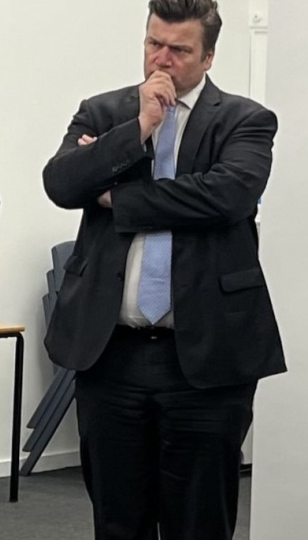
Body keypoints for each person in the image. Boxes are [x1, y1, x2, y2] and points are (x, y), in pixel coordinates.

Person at [42, 1, 286, 539]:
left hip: (204, 358)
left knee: (199, 521)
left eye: (179, 50)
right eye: (154, 43)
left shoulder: (245, 120)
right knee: (117, 519)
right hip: (111, 353)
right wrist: (141, 127)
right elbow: (62, 183)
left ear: (209, 56)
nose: (162, 59)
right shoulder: (105, 113)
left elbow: (227, 196)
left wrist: (120, 198)